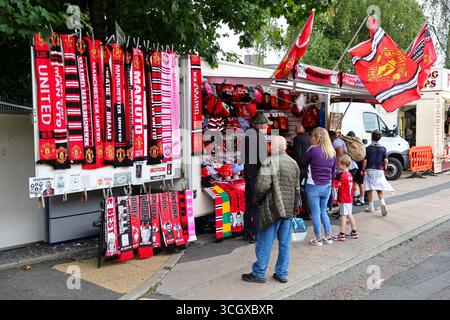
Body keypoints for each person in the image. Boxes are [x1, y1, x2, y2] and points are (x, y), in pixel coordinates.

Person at [241, 136, 300, 283]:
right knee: (285, 244)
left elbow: (261, 187)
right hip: (287, 209)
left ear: (272, 147)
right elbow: (297, 189)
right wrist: (294, 208)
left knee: (264, 243)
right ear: (285, 147)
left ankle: (259, 273)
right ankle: (282, 273)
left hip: (271, 209)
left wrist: (255, 201)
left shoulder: (269, 162)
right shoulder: (293, 163)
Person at [300, 127, 336, 247]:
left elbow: (303, 164)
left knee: (315, 213)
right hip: (327, 186)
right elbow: (333, 171)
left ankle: (318, 239)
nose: (311, 138)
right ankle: (328, 236)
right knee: (323, 212)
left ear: (317, 137)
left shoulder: (312, 150)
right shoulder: (332, 151)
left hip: (313, 185)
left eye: (312, 136)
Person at [242, 114, 271, 243]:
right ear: (262, 125)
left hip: (248, 173)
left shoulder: (248, 135)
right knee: (258, 205)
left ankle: (247, 231)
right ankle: (256, 233)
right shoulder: (259, 137)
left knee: (249, 204)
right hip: (256, 175)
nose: (267, 127)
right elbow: (263, 160)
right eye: (266, 125)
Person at [361, 130, 394, 216]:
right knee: (379, 188)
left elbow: (365, 161)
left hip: (369, 170)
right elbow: (386, 160)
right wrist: (385, 168)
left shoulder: (368, 148)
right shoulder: (383, 149)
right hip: (379, 171)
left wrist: (363, 170)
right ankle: (382, 203)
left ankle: (371, 206)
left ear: (372, 137)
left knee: (369, 188)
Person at [332, 155, 359, 241]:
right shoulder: (350, 175)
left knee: (343, 216)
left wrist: (338, 200)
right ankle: (354, 232)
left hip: (344, 199)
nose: (338, 166)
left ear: (343, 165)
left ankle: (342, 234)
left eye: (339, 164)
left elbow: (341, 189)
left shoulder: (343, 176)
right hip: (349, 199)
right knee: (349, 215)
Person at [292, 124, 312, 220]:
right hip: (310, 167)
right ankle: (309, 211)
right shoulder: (309, 138)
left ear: (296, 130)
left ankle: (306, 212)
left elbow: (297, 155)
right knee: (307, 189)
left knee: (301, 190)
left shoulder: (296, 139)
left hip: (301, 168)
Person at [347, 131, 366, 206]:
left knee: (359, 183)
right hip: (357, 167)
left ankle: (361, 199)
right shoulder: (361, 145)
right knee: (357, 183)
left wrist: (363, 170)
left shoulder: (349, 145)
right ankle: (357, 197)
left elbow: (365, 160)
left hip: (355, 168)